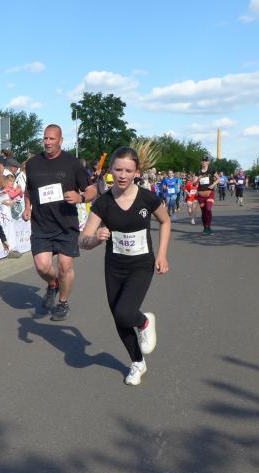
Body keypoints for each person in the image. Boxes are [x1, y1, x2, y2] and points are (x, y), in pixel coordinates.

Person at [80, 146, 170, 386]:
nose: (122, 175)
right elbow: (83, 240)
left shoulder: (147, 198)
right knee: (119, 318)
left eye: (128, 171)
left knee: (125, 312)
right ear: (110, 169)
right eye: (118, 169)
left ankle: (145, 322)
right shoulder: (103, 203)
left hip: (141, 265)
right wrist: (96, 238)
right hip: (114, 267)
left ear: (136, 172)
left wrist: (162, 254)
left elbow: (165, 221)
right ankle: (137, 362)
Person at [23, 124, 96, 321]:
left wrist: (81, 197)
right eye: (45, 138)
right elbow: (28, 190)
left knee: (65, 266)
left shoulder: (72, 163)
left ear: (61, 140)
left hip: (66, 225)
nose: (47, 142)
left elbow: (92, 190)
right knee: (42, 266)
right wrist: (27, 207)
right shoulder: (33, 163)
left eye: (52, 139)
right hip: (41, 224)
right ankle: (53, 284)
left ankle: (63, 303)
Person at [195, 157, 218, 235]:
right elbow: (194, 183)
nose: (204, 162)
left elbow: (218, 179)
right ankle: (205, 227)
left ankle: (208, 226)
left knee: (208, 209)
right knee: (204, 212)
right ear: (201, 162)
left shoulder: (212, 170)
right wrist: (198, 179)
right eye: (203, 161)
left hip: (210, 193)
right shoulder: (198, 171)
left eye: (205, 161)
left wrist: (213, 185)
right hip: (201, 195)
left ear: (208, 162)